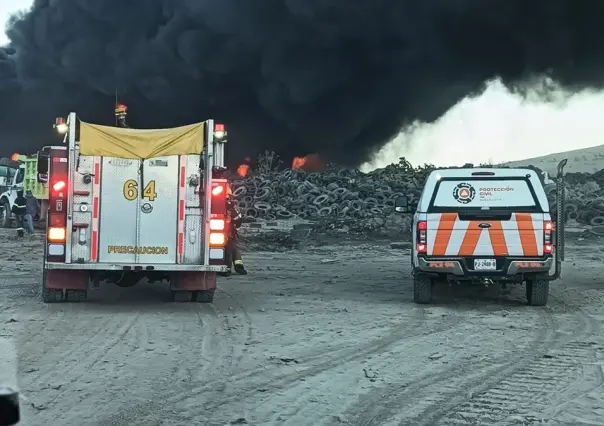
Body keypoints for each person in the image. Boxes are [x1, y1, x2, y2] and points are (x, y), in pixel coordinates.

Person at [224, 184, 247, 276]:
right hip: (228, 233)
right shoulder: (231, 207)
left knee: (229, 249)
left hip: (227, 233)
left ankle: (228, 268)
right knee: (232, 248)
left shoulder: (230, 207)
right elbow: (238, 219)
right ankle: (238, 267)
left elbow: (238, 219)